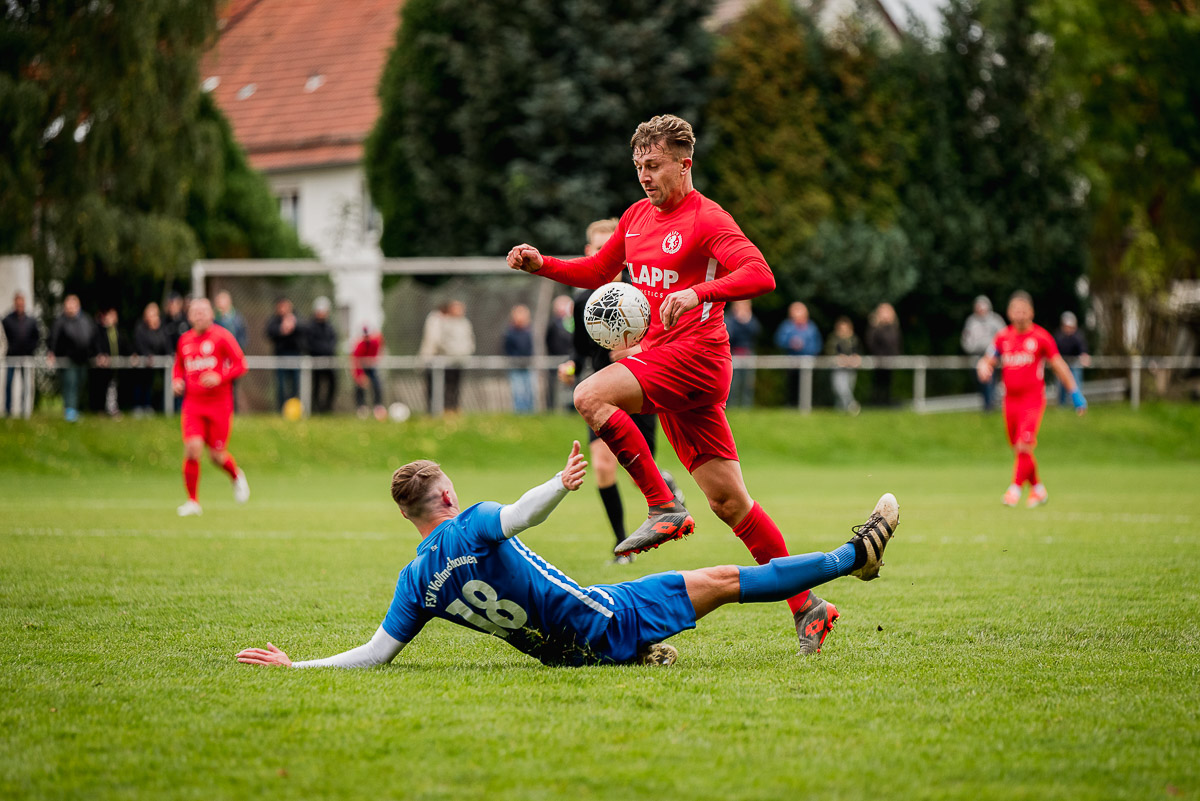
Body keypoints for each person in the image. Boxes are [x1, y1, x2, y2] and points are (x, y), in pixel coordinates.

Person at [506, 114, 841, 654]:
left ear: (684, 165)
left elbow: (761, 274)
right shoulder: (637, 216)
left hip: (699, 357)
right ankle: (809, 608)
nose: (644, 174)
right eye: (638, 165)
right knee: (732, 503)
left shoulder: (708, 218)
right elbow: (598, 270)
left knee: (588, 394)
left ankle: (662, 505)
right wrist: (542, 263)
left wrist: (701, 294)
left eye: (654, 164)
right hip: (670, 361)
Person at [236, 443, 901, 670]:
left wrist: (298, 666)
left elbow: (375, 652)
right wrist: (562, 481)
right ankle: (855, 554)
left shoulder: (417, 580)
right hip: (599, 618)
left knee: (699, 589)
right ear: (445, 494)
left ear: (409, 516)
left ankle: (638, 657)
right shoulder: (471, 525)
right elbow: (521, 513)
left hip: (563, 649)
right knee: (728, 578)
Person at [558, 218, 683, 564]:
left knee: (637, 471)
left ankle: (665, 485)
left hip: (639, 387)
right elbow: (578, 351)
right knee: (602, 467)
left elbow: (664, 339)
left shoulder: (641, 291)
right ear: (589, 252)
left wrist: (638, 351)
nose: (603, 255)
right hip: (601, 394)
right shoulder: (583, 300)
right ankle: (621, 545)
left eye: (609, 248)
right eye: (597, 249)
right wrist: (569, 367)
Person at [976, 291, 1087, 508]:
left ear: (1031, 312)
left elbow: (1059, 365)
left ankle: (1014, 489)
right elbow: (987, 360)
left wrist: (1075, 393)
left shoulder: (1041, 337)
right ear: (1009, 312)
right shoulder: (1002, 337)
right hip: (1010, 400)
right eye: (1016, 310)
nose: (1020, 314)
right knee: (1018, 447)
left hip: (1033, 399)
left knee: (1024, 444)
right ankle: (1038, 489)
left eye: (1024, 310)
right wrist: (983, 367)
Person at [173, 297, 249, 517]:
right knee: (193, 449)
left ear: (211, 314)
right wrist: (176, 380)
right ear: (189, 316)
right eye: (195, 311)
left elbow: (241, 364)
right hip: (193, 405)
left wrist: (220, 377)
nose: (199, 314)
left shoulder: (222, 336)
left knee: (217, 455)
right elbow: (178, 365)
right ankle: (193, 501)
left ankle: (236, 476)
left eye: (203, 311)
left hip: (220, 406)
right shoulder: (184, 340)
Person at [419, 299, 474, 414]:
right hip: (436, 359)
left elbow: (470, 341)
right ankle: (434, 410)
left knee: (454, 386)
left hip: (457, 360)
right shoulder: (436, 319)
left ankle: (451, 408)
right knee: (435, 386)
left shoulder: (464, 323)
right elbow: (437, 341)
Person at [47, 294, 94, 422]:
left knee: (80, 384)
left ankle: (75, 409)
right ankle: (70, 411)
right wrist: (51, 352)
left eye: (73, 305)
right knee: (70, 384)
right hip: (68, 360)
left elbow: (92, 337)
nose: (71, 308)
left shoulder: (86, 320)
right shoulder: (60, 321)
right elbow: (53, 338)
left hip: (84, 359)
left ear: (78, 306)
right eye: (68, 305)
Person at [961, 295, 1007, 412]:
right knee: (980, 381)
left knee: (989, 379)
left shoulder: (995, 320)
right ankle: (988, 402)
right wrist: (972, 348)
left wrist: (996, 351)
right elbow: (966, 339)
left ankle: (989, 405)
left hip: (992, 356)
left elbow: (1004, 336)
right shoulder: (971, 321)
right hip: (976, 356)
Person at [774, 301, 822, 408]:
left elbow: (817, 345)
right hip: (792, 362)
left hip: (808, 362)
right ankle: (792, 404)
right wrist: (790, 343)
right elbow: (779, 340)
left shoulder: (811, 327)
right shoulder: (786, 326)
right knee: (792, 385)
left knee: (808, 385)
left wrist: (805, 348)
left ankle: (808, 405)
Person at [2, 292, 40, 417]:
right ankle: (8, 411)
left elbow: (36, 338)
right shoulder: (7, 320)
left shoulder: (31, 321)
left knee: (26, 384)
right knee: (8, 383)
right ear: (15, 303)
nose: (20, 305)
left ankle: (25, 411)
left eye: (21, 302)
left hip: (26, 357)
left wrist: (30, 350)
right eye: (17, 302)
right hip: (11, 356)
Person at [89, 306, 131, 417]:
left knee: (113, 388)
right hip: (103, 366)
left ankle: (112, 408)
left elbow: (125, 346)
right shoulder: (100, 331)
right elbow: (96, 344)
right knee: (101, 387)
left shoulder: (118, 331)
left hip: (115, 365)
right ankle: (100, 409)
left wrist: (132, 355)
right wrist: (100, 355)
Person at [133, 302, 171, 415]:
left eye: (155, 314)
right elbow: (139, 344)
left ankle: (148, 405)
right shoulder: (140, 327)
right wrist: (147, 354)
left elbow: (164, 344)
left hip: (155, 362)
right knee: (140, 383)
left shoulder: (161, 328)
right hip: (141, 362)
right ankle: (138, 406)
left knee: (149, 384)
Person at [213, 291, 249, 413]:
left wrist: (236, 351)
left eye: (222, 301)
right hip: (218, 359)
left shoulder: (237, 319)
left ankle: (233, 411)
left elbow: (243, 337)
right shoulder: (213, 320)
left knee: (233, 386)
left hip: (232, 359)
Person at [265, 297, 302, 412]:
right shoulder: (274, 320)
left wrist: (293, 325)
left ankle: (295, 409)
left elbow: (306, 328)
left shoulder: (297, 318)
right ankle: (281, 408)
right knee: (281, 384)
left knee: (295, 383)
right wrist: (281, 329)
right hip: (280, 355)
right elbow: (268, 332)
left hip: (295, 354)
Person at [724, 299, 761, 407]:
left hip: (748, 353)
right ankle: (732, 406)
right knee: (733, 383)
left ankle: (747, 406)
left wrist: (747, 321)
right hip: (733, 353)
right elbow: (730, 335)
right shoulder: (729, 319)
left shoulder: (751, 320)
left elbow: (757, 332)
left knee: (748, 383)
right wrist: (738, 320)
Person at [306, 296, 338, 414]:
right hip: (315, 360)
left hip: (328, 360)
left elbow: (333, 342)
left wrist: (327, 350)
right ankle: (315, 408)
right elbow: (310, 344)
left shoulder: (330, 327)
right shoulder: (311, 326)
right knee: (316, 385)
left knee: (332, 383)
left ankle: (327, 407)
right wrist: (322, 350)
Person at [865, 303, 901, 407]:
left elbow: (896, 343)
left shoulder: (894, 327)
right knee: (878, 382)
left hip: (890, 360)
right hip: (878, 360)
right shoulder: (874, 327)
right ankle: (877, 402)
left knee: (887, 382)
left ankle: (886, 402)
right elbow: (871, 343)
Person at [825, 316, 862, 415]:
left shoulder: (854, 339)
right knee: (840, 388)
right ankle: (852, 405)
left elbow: (858, 351)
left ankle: (841, 409)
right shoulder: (833, 338)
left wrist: (854, 358)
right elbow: (830, 351)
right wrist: (840, 358)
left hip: (851, 368)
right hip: (837, 368)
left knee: (848, 388)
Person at [1053, 311, 1090, 406]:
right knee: (1061, 385)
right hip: (1062, 363)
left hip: (1074, 363)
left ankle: (1078, 404)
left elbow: (1082, 348)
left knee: (1075, 383)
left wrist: (1084, 356)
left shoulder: (1078, 336)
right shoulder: (1059, 336)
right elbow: (1054, 350)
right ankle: (1062, 405)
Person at [503, 304, 535, 414]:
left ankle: (530, 412)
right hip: (516, 365)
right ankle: (520, 412)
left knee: (529, 390)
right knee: (518, 390)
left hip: (527, 365)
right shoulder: (510, 333)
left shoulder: (528, 331)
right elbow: (508, 349)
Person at [546, 294, 575, 410]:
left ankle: (572, 408)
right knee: (556, 385)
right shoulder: (553, 324)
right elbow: (549, 341)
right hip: (556, 360)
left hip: (571, 358)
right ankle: (553, 408)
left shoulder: (573, 322)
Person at [351, 325, 386, 420]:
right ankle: (361, 407)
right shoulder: (359, 345)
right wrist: (360, 376)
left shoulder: (375, 343)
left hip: (371, 368)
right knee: (359, 386)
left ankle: (377, 406)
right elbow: (356, 362)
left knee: (377, 384)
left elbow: (380, 348)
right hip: (361, 368)